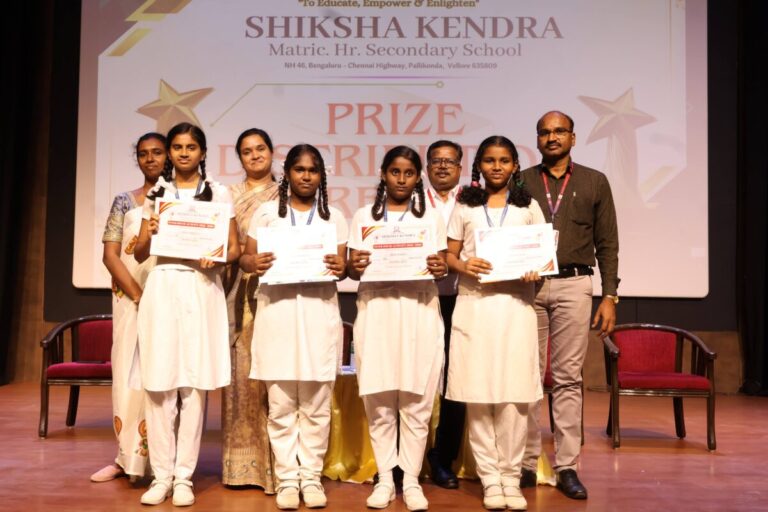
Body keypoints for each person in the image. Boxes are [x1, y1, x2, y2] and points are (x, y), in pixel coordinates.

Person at [133, 122, 240, 506]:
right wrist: (151, 230)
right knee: (159, 382)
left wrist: (219, 256)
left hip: (200, 285)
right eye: (177, 147)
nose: (183, 153)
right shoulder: (158, 193)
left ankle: (183, 478)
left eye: (190, 147)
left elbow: (234, 247)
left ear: (202, 152)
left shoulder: (219, 192)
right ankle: (161, 476)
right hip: (163, 286)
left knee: (193, 385)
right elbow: (140, 253)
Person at [520, 111, 620, 500]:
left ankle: (567, 467)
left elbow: (608, 242)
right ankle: (526, 464)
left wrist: (609, 295)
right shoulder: (521, 181)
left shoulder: (595, 181)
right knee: (526, 375)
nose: (552, 137)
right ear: (537, 139)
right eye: (544, 132)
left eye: (559, 131)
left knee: (567, 378)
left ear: (573, 138)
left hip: (575, 284)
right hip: (529, 286)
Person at [241, 144, 347, 510]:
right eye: (299, 169)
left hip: (319, 315)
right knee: (282, 403)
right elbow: (245, 257)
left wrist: (341, 267)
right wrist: (253, 262)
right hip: (278, 315)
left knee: (316, 405)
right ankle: (288, 478)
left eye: (313, 170)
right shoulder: (267, 213)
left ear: (321, 176)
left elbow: (344, 266)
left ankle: (311, 477)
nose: (306, 176)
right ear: (287, 172)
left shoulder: (334, 216)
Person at [444, 135, 543, 511]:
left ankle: (510, 478)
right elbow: (449, 254)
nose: (496, 167)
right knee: (479, 395)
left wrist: (536, 270)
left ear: (515, 165)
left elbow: (542, 256)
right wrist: (464, 265)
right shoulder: (465, 205)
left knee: (515, 398)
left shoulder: (528, 206)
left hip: (515, 308)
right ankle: (490, 478)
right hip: (475, 307)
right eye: (489, 160)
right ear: (479, 166)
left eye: (504, 160)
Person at [347, 146, 448, 512]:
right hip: (378, 310)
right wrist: (355, 265)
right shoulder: (364, 216)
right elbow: (352, 268)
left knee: (417, 401)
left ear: (418, 176)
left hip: (419, 310)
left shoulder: (430, 218)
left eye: (408, 173)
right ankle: (387, 478)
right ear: (383, 174)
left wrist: (440, 268)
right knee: (380, 401)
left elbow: (441, 266)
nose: (401, 179)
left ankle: (412, 479)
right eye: (395, 172)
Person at [91, 132, 165, 483]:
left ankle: (163, 463)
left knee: (162, 376)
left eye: (157, 152)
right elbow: (111, 255)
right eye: (143, 153)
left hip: (167, 295)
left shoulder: (181, 200)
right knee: (126, 376)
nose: (150, 159)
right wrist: (138, 295)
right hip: (131, 298)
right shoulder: (124, 201)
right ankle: (126, 459)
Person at [221, 128, 279, 491]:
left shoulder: (288, 193)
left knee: (278, 380)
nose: (255, 155)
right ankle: (245, 467)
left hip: (281, 293)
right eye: (247, 151)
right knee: (243, 379)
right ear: (240, 157)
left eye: (260, 149)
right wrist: (242, 258)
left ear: (272, 152)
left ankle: (284, 467)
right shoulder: (227, 197)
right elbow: (223, 246)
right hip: (241, 295)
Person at [422, 140, 465, 490]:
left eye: (449, 161)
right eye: (436, 160)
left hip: (462, 301)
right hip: (420, 301)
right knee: (414, 379)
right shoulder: (413, 203)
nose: (442, 166)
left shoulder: (474, 203)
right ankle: (405, 458)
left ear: (460, 168)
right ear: (426, 167)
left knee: (455, 382)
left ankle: (443, 458)